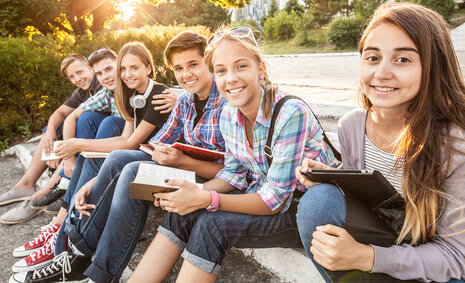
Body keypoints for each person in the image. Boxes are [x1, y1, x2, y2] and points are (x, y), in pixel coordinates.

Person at [126, 26, 338, 283]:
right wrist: (186, 196)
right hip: (263, 194)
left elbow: (276, 201)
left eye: (241, 67)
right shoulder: (229, 113)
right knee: (185, 210)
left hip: (303, 211)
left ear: (260, 70)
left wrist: (206, 199)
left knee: (211, 225)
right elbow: (234, 174)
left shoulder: (289, 112)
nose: (231, 79)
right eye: (221, 71)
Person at [9, 32, 222, 283]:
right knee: (119, 159)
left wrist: (180, 161)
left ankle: (85, 261)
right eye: (179, 68)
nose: (186, 74)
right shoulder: (184, 100)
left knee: (128, 166)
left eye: (193, 65)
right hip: (176, 164)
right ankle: (75, 251)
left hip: (206, 179)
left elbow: (236, 170)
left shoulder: (213, 98)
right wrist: (96, 180)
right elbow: (153, 144)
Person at [295, 3, 465, 282]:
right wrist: (334, 178)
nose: (382, 73)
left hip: (441, 264)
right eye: (373, 58)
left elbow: (457, 256)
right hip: (387, 236)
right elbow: (367, 197)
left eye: (403, 60)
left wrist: (368, 257)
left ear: (434, 66)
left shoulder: (456, 143)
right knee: (318, 201)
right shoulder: (352, 126)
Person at [0, 53, 102, 224]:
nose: (77, 79)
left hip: (100, 139)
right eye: (71, 76)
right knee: (52, 128)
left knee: (82, 122)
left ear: (90, 68)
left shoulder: (102, 85)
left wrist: (67, 155)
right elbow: (61, 113)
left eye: (79, 72)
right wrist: (50, 134)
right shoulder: (83, 90)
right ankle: (26, 184)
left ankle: (46, 192)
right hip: (86, 137)